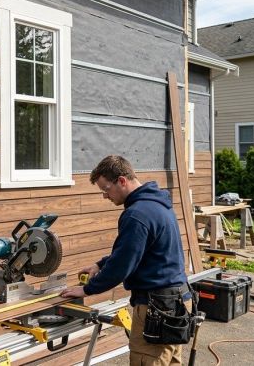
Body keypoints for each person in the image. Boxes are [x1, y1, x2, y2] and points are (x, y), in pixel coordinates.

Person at [60, 155, 191, 365]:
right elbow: (135, 250)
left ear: (122, 181)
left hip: (156, 308)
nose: (105, 196)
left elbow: (122, 265)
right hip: (177, 300)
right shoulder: (157, 203)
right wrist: (100, 264)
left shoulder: (136, 214)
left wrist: (87, 289)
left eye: (106, 189)